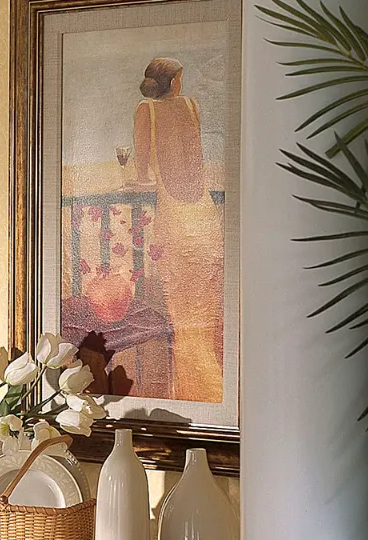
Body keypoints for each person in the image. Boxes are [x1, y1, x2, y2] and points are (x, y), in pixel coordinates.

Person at [132, 56, 224, 403]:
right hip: (204, 215)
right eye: (179, 78)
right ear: (171, 82)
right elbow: (195, 159)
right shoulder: (192, 106)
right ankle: (204, 388)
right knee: (203, 312)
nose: (181, 84)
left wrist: (143, 177)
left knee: (181, 313)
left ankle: (190, 391)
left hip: (174, 218)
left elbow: (142, 167)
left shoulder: (146, 111)